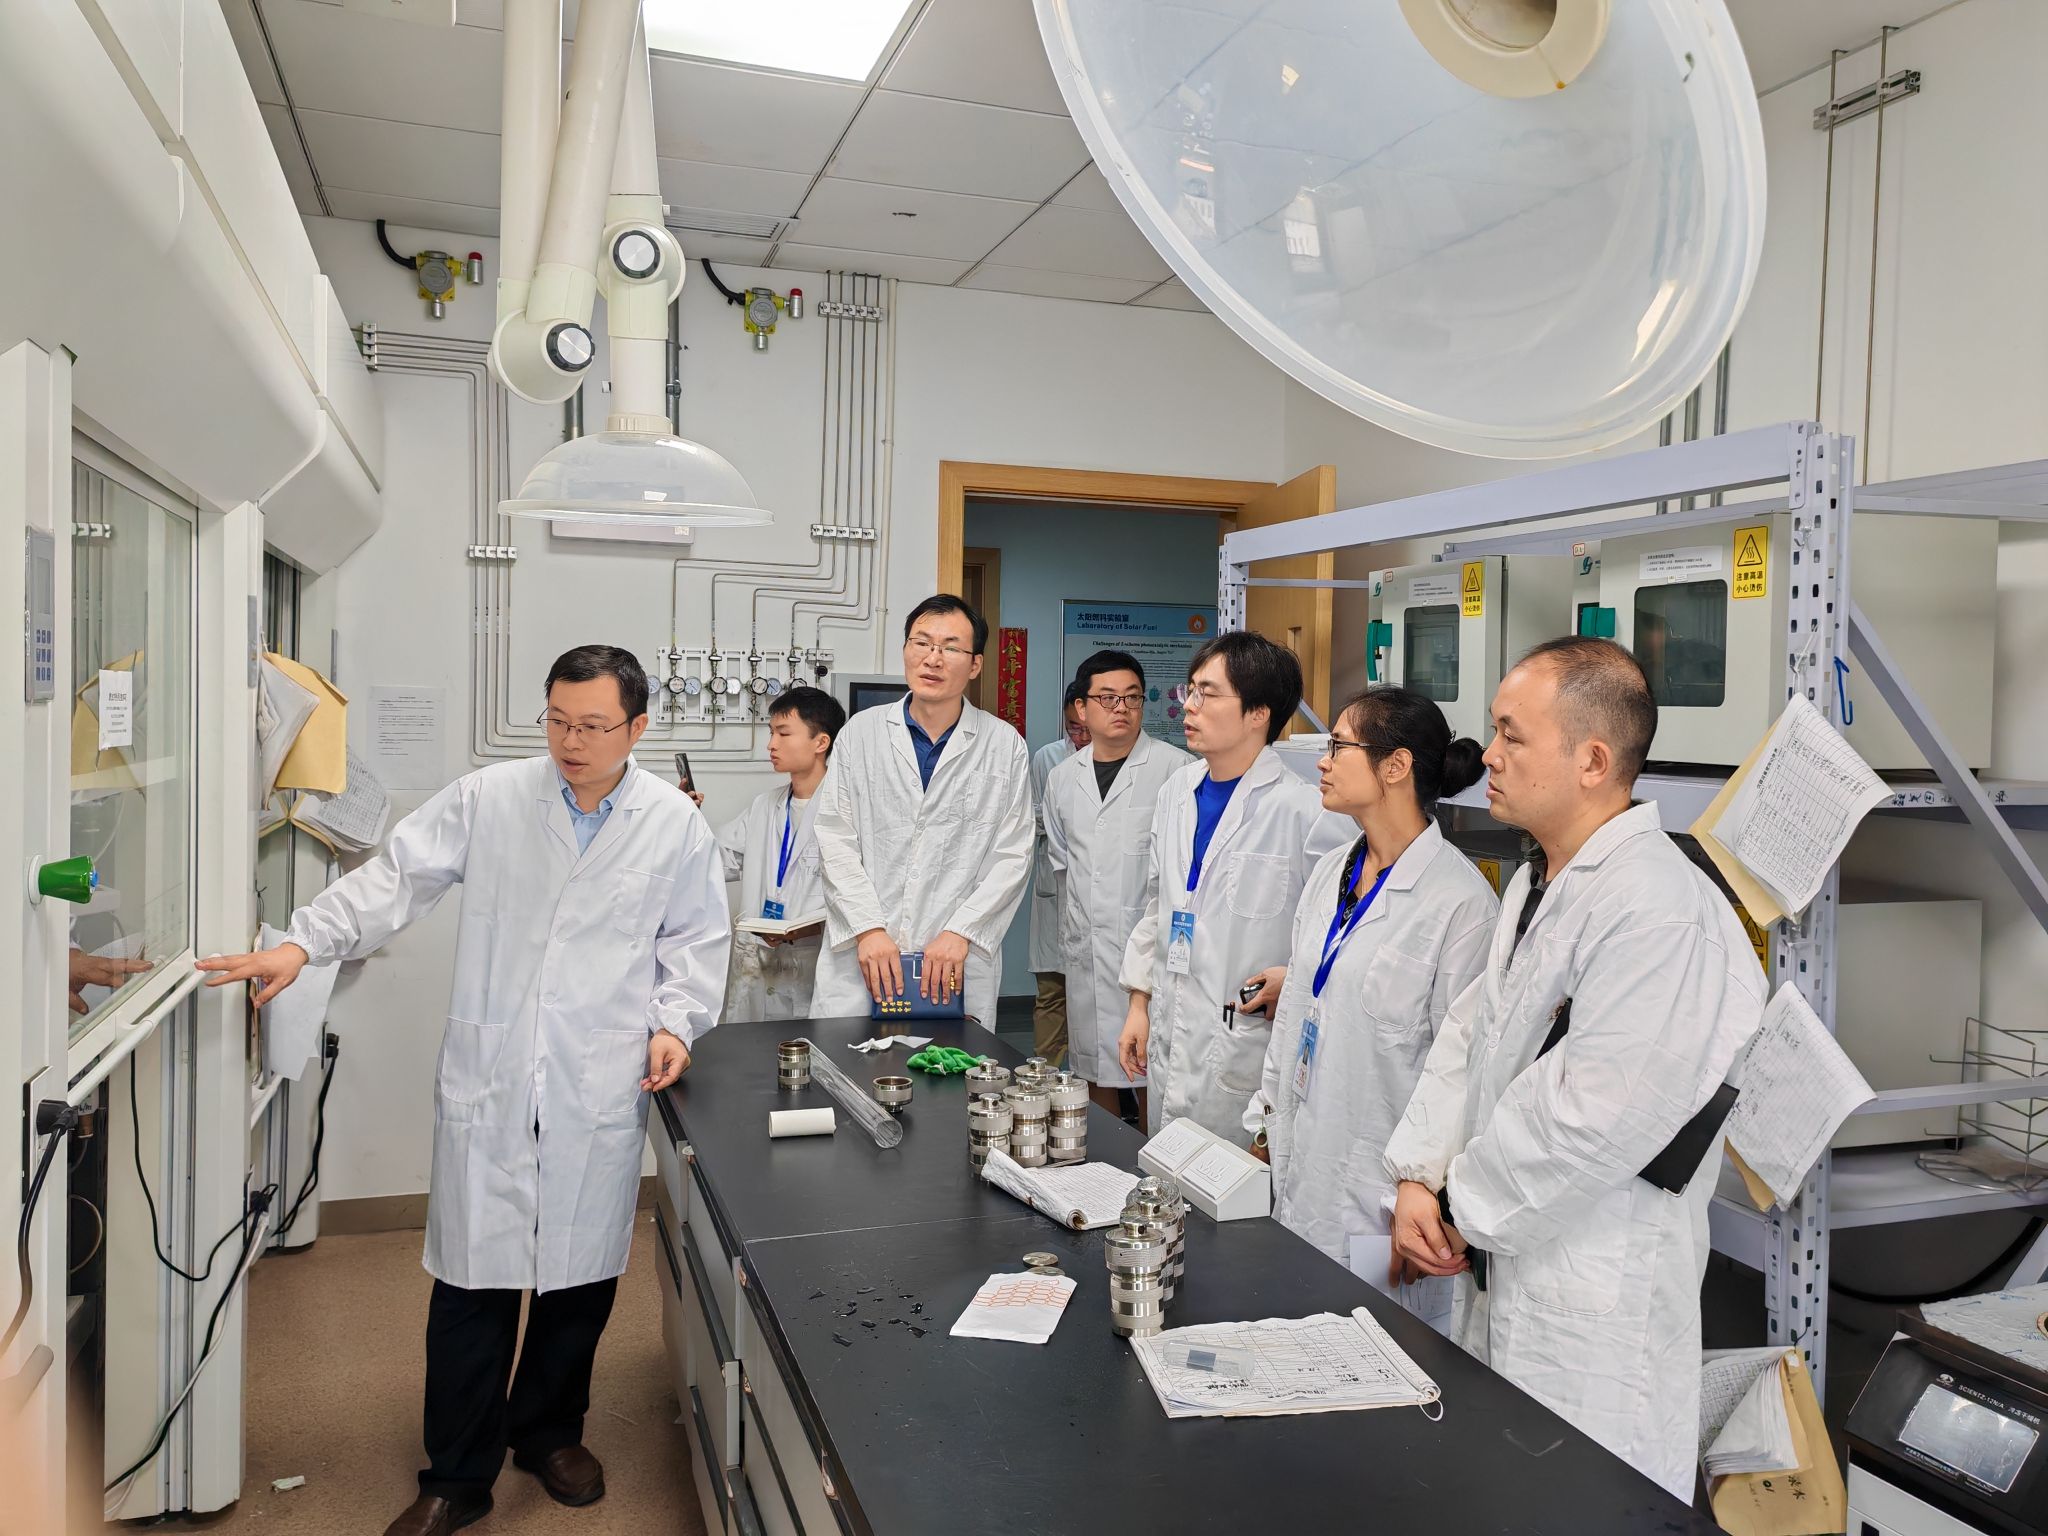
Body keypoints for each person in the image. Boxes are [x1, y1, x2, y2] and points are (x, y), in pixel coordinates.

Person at [197, 645, 729, 1536]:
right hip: (497, 1070)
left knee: (578, 1282)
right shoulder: (493, 796)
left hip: (597, 1075)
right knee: (472, 1286)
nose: (570, 742)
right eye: (557, 721)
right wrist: (302, 942)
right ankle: (456, 1475)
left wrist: (675, 1022)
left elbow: (695, 941)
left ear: (637, 728)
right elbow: (395, 878)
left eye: (593, 726)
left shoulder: (675, 824)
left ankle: (549, 1433)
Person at [1384, 637, 1764, 1501]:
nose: (1489, 755)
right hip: (1511, 1265)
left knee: (1586, 1502)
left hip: (1596, 1305)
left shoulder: (1660, 912)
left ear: (1592, 761)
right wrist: (1418, 1174)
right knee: (1504, 1495)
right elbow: (1472, 1036)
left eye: (1512, 736)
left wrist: (1457, 1206)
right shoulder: (1541, 882)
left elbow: (1591, 1115)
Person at [1241, 686, 1496, 1328]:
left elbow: (1464, 1074)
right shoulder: (1333, 872)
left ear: (1396, 765)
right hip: (1305, 1163)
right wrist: (1265, 1126)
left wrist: (1432, 1195)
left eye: (1338, 746)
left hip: (1386, 1200)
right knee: (1299, 1342)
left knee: (1381, 1360)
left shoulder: (1461, 905)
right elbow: (1295, 1016)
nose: (1322, 761)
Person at [1116, 631, 1349, 1139]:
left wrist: (1298, 975)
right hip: (1171, 1029)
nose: (1189, 706)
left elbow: (1344, 931)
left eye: (1208, 693)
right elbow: (1158, 905)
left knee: (1236, 1180)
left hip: (1243, 1039)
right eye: (1190, 690)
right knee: (1165, 1171)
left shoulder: (1306, 812)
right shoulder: (1178, 791)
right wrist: (1139, 1001)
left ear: (1258, 713)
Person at [809, 595, 1033, 1022]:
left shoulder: (1004, 746)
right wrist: (868, 928)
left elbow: (1013, 856)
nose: (933, 658)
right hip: (865, 953)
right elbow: (835, 838)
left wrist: (961, 932)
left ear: (975, 665)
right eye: (922, 643)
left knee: (948, 1061)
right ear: (905, 650)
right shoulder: (860, 734)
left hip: (955, 957)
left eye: (950, 647)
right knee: (849, 1058)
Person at [1043, 650, 1190, 1118]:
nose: (1121, 707)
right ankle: (1104, 1158)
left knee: (1153, 1074)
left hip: (1149, 954)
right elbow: (1064, 864)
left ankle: (1153, 1160)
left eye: (1132, 697)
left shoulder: (1177, 772)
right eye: (1107, 698)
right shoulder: (1062, 779)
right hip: (1086, 950)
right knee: (1091, 1067)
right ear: (1081, 708)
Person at [712, 686, 845, 1023]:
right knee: (752, 1050)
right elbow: (713, 859)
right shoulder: (764, 806)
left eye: (783, 734)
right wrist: (682, 816)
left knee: (809, 1050)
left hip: (811, 965)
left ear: (821, 742)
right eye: (771, 733)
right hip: (759, 964)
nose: (771, 744)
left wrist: (810, 928)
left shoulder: (846, 811)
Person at [1027, 682, 1091, 1065]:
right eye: (1073, 728)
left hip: (1097, 896)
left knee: (1097, 996)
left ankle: (1094, 1084)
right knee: (1051, 992)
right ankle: (1045, 1076)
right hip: (1054, 889)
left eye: (1086, 728)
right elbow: (1032, 817)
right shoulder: (1047, 758)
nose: (1080, 737)